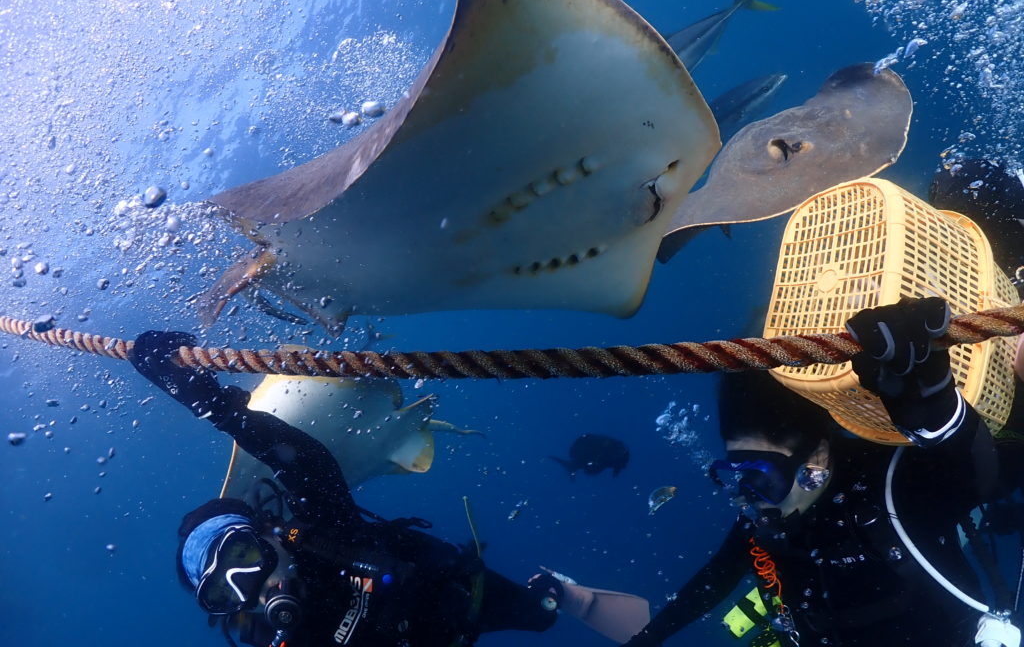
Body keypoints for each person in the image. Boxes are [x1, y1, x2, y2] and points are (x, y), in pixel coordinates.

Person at [129, 330, 564, 647]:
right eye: (224, 592)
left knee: (541, 616)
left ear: (269, 533)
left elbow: (307, 465)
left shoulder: (325, 540)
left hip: (460, 599)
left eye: (242, 555)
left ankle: (549, 593)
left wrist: (219, 409)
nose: (252, 584)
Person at [625, 297, 1008, 647]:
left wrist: (936, 408)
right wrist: (648, 638)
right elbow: (715, 579)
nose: (749, 496)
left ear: (818, 456)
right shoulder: (767, 520)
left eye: (760, 475)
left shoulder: (884, 480)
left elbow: (974, 480)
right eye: (736, 475)